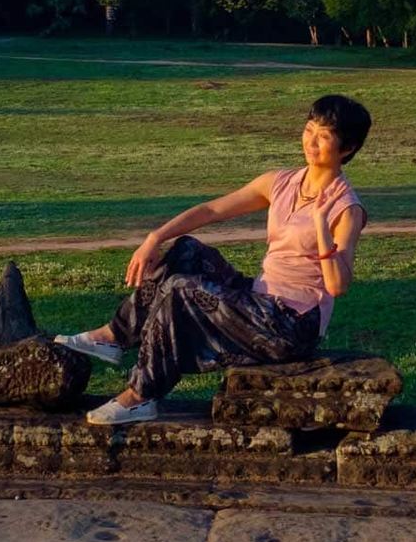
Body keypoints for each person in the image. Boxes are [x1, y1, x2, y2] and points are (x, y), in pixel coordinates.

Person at [55, 94, 372, 425]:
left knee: (182, 289)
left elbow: (338, 285)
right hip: (259, 300)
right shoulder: (281, 182)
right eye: (309, 130)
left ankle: (141, 396)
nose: (311, 141)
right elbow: (212, 210)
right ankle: (114, 336)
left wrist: (321, 227)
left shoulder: (346, 208)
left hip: (292, 325)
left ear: (347, 148)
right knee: (187, 251)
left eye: (324, 135)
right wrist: (155, 238)